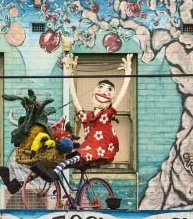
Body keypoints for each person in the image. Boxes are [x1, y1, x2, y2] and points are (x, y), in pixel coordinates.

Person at [34, 52, 133, 180]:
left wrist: (128, 74)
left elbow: (120, 98)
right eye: (101, 87)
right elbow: (75, 100)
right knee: (62, 159)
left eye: (109, 90)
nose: (104, 92)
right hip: (86, 150)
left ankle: (54, 174)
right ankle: (21, 183)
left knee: (73, 158)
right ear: (93, 93)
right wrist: (69, 75)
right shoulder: (87, 118)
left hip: (98, 151)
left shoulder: (106, 115)